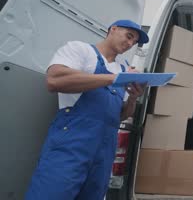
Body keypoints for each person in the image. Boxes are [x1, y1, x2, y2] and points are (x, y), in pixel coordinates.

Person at [26, 19, 150, 199]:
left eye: (134, 42)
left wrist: (132, 98)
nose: (130, 43)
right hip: (71, 144)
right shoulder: (80, 50)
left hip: (104, 152)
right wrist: (114, 78)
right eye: (128, 36)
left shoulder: (123, 69)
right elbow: (54, 80)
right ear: (113, 30)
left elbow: (120, 116)